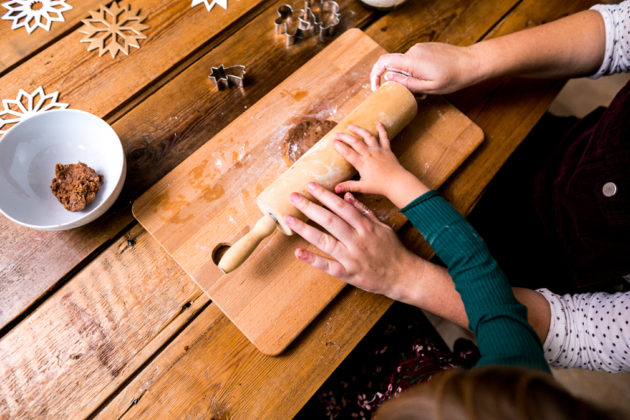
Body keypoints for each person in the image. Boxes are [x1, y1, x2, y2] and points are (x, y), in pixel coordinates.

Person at [287, 0, 630, 374]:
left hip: (537, 265)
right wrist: (472, 61)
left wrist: (404, 275)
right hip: (560, 149)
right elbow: (617, 33)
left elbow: (567, 330)